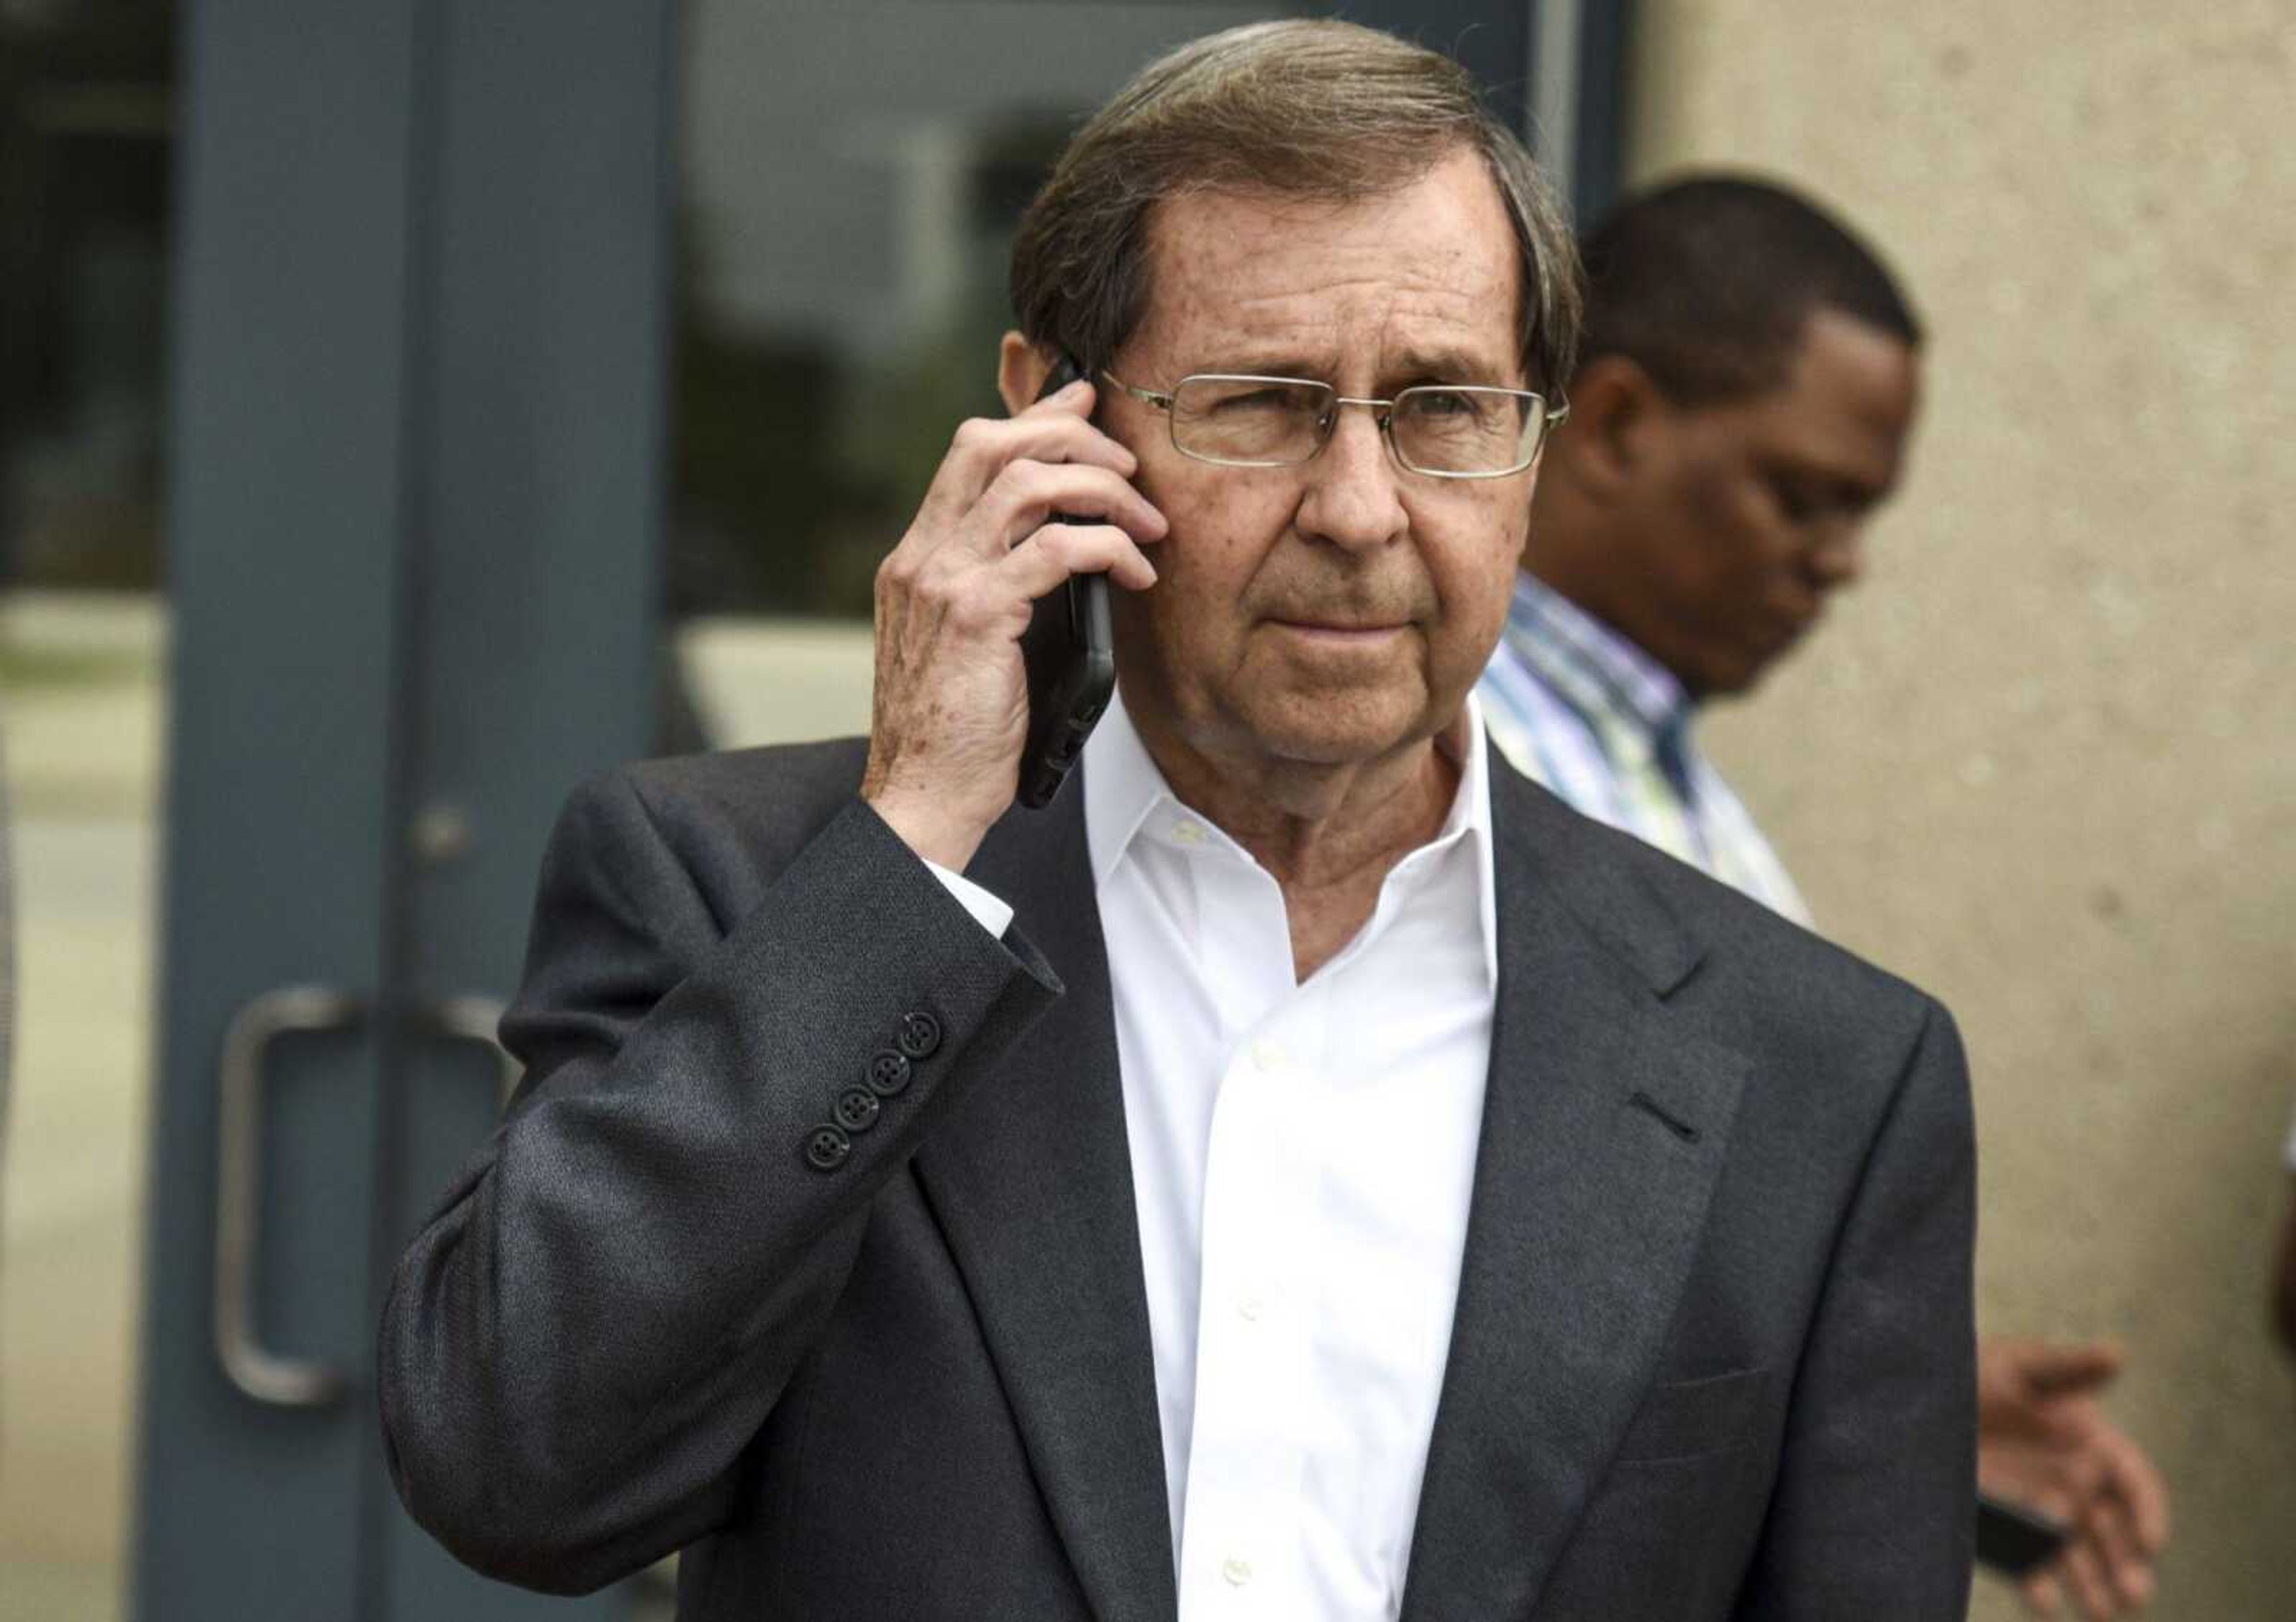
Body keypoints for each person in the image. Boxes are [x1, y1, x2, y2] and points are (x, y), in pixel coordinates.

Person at [380, 25, 1977, 1619]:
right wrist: (920, 837)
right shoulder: (751, 891)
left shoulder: (1821, 1074)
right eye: (1262, 404)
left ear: (1537, 434)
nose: (1360, 510)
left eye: (1441, 408)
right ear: (1051, 419)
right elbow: (518, 1472)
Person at [1476, 175, 2172, 1621]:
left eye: (1860, 515)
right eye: (1801, 495)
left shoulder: (1677, 794)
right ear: (1608, 426)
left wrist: (1899, 1396)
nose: (1838, 563)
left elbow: (1651, 1269)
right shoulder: (1454, 779)